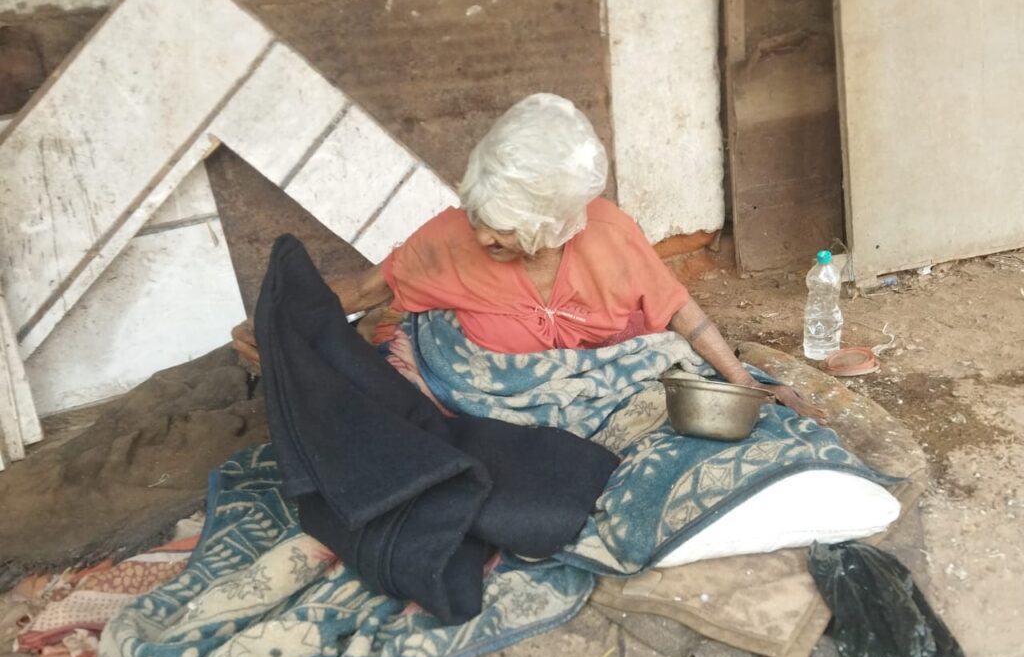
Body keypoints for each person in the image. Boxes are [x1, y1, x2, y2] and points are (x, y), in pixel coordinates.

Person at [233, 93, 823, 420]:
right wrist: (276, 322)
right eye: (479, 218)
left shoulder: (610, 237)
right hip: (482, 394)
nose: (483, 238)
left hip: (596, 387)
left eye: (505, 230)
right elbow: (364, 291)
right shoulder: (448, 240)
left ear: (555, 225)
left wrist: (744, 383)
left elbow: (680, 312)